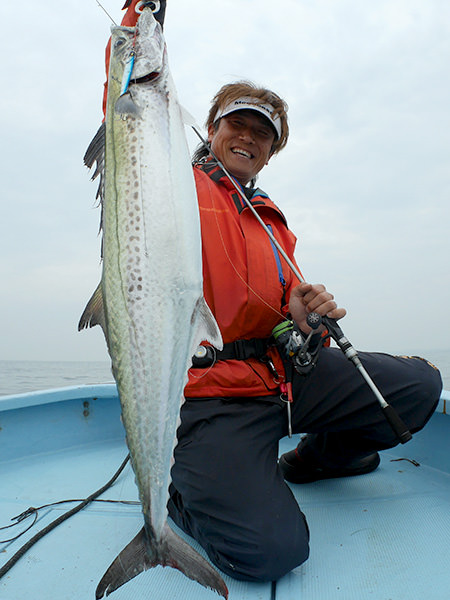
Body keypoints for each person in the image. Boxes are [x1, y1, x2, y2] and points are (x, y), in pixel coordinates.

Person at [104, 2, 443, 584]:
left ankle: (313, 461)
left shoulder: (272, 220)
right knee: (271, 553)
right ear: (209, 128)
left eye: (263, 133)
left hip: (284, 379)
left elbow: (282, 315)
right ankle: (179, 498)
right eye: (236, 124)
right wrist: (139, 24)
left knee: (419, 389)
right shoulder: (173, 183)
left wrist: (304, 315)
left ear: (271, 151)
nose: (248, 137)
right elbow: (127, 112)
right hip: (212, 398)